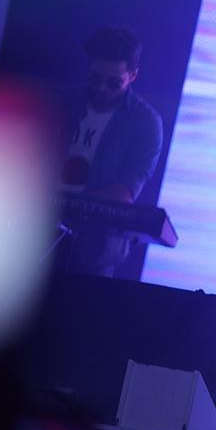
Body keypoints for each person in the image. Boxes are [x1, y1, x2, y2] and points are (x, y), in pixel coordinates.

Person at [56, 25, 163, 276]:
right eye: (95, 79)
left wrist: (58, 203)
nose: (102, 88)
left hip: (93, 248)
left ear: (133, 75)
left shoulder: (145, 123)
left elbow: (124, 193)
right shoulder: (63, 103)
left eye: (114, 83)